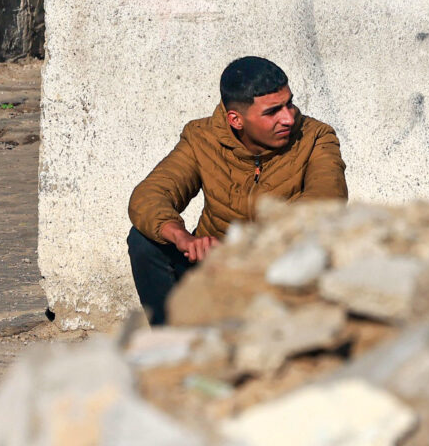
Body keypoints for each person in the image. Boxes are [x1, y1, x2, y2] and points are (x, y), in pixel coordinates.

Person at [125, 56, 347, 323]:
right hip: (212, 270)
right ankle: (172, 346)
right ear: (236, 120)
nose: (288, 118)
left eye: (289, 104)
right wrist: (183, 238)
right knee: (145, 240)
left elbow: (324, 201)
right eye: (272, 111)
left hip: (279, 272)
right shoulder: (201, 137)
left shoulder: (316, 137)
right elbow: (149, 196)